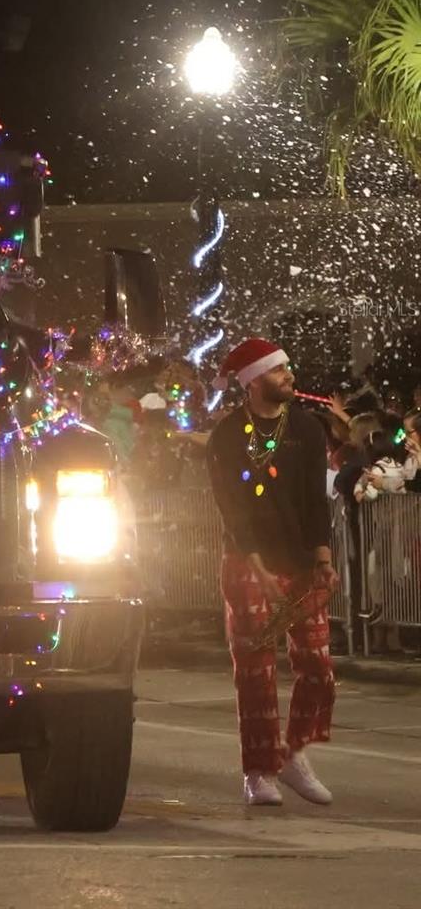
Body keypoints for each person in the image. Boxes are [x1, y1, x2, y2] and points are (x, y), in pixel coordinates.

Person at [207, 337, 338, 808]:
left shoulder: (305, 426)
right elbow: (233, 506)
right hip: (248, 563)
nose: (290, 376)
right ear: (254, 381)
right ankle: (259, 771)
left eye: (288, 367)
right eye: (279, 370)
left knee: (319, 668)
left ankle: (293, 754)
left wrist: (323, 558)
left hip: (301, 564)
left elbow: (314, 501)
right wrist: (257, 564)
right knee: (256, 673)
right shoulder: (227, 436)